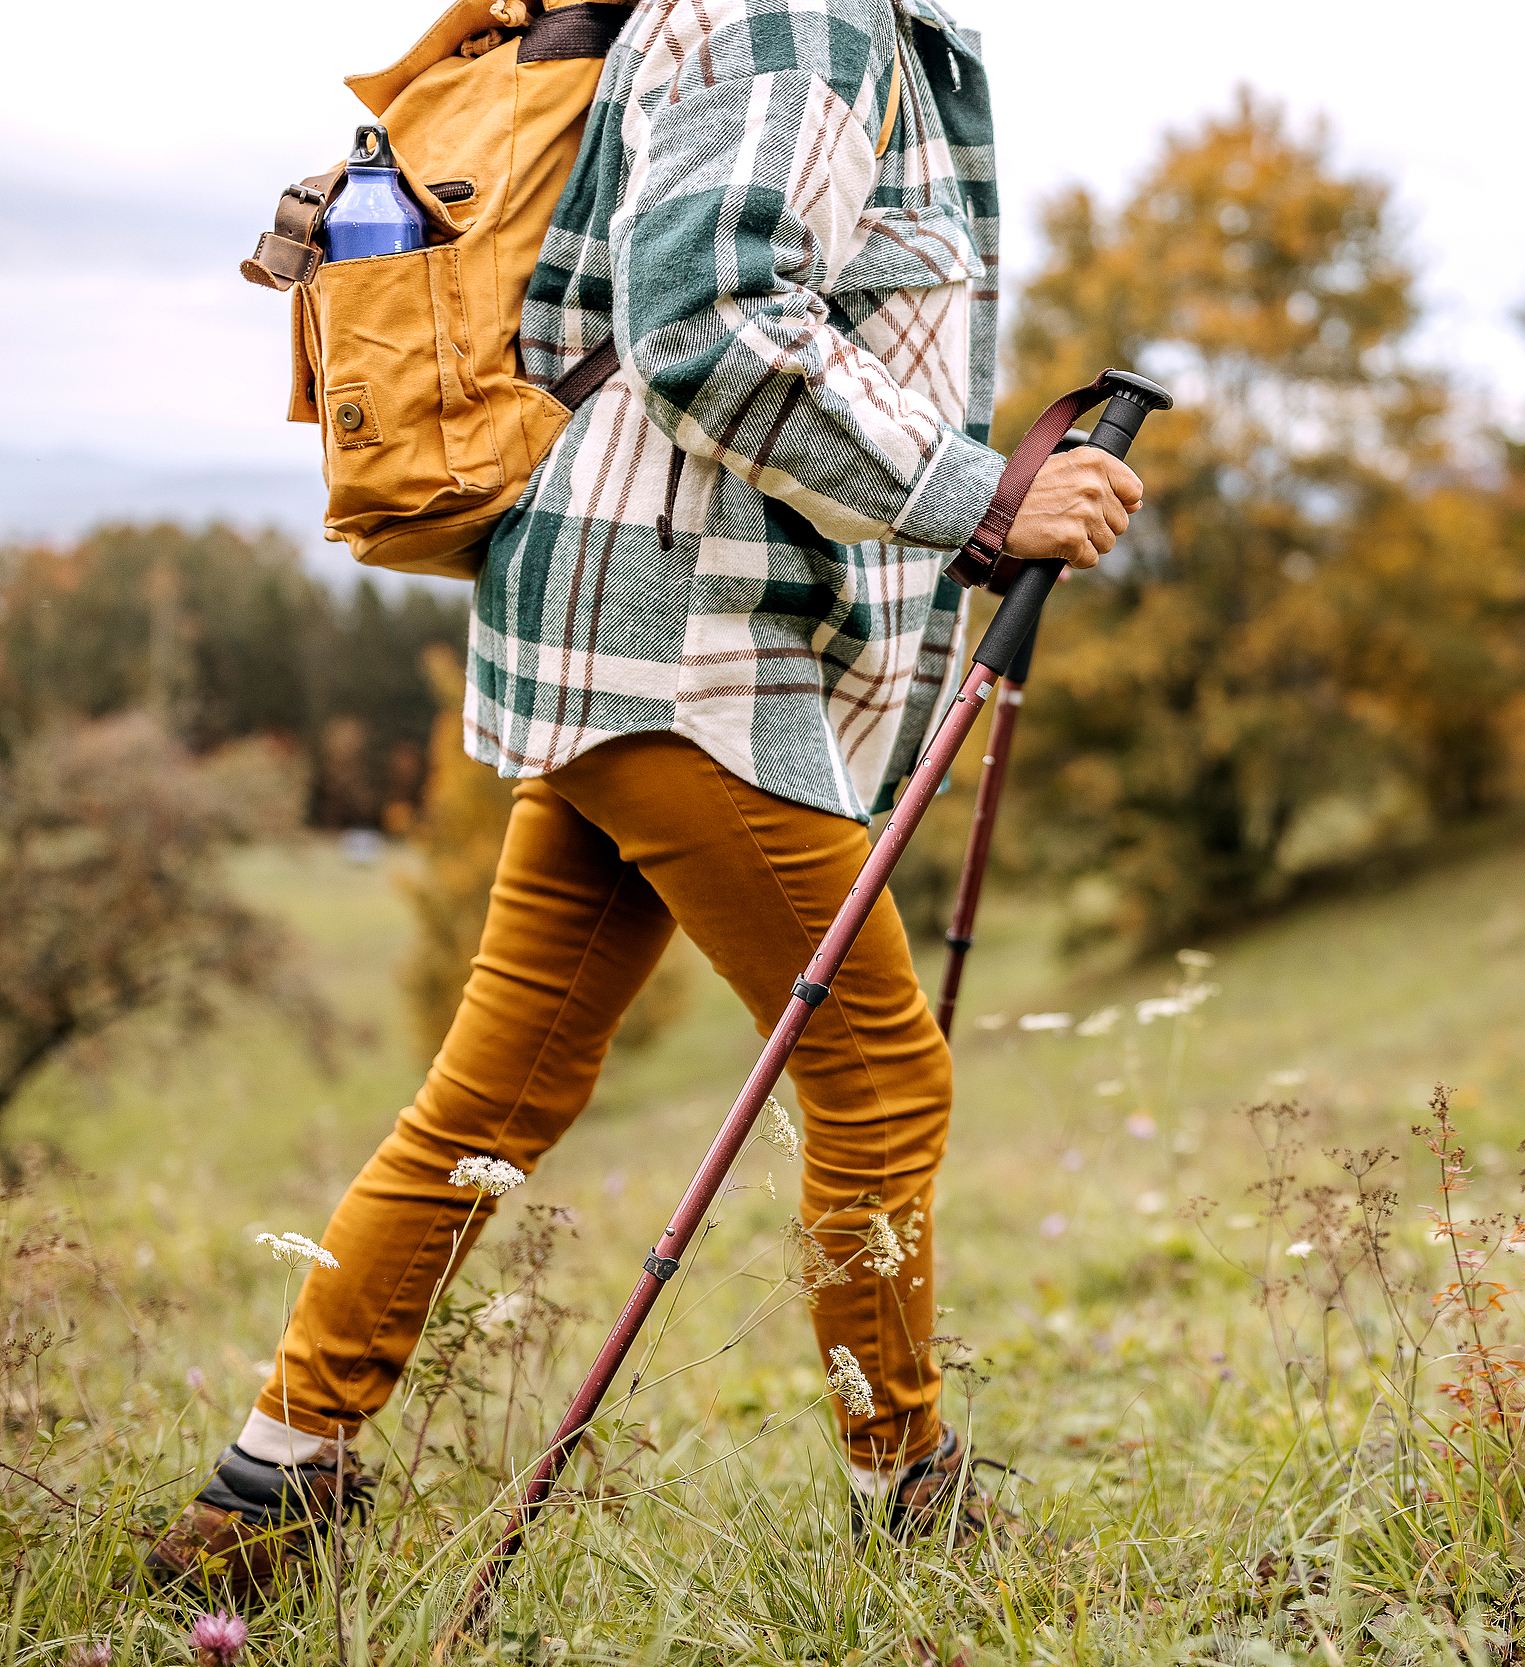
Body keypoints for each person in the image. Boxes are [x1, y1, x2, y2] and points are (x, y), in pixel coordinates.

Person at [144, 0, 1140, 1590]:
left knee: (492, 1100)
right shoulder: (806, 14)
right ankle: (913, 1509)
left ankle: (259, 1504)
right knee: (881, 1074)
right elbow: (704, 319)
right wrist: (983, 497)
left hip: (629, 625)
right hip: (683, 635)